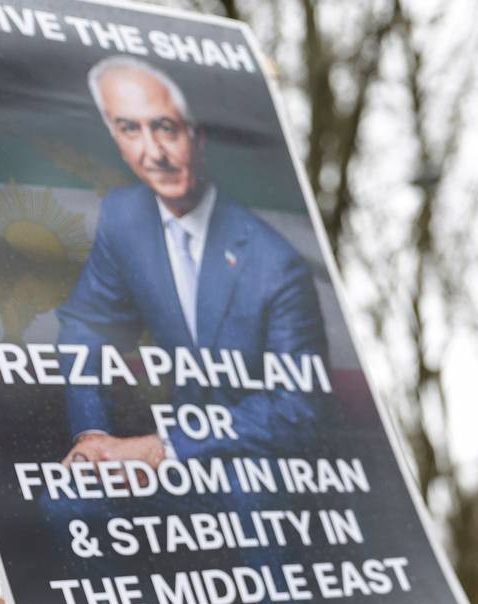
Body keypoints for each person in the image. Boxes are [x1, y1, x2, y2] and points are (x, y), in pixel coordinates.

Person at [57, 55, 327, 466]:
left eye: (165, 128)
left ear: (197, 137)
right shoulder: (123, 217)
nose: (153, 153)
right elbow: (86, 326)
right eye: (129, 129)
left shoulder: (276, 264)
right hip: (163, 460)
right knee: (63, 506)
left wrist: (163, 449)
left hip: (249, 464)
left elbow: (297, 407)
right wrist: (94, 437)